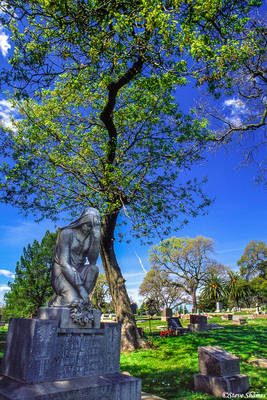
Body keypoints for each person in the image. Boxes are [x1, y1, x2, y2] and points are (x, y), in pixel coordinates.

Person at [49, 207, 101, 307]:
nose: (89, 228)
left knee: (93, 269)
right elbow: (64, 263)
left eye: (92, 227)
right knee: (72, 301)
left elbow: (93, 261)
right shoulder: (67, 233)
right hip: (62, 272)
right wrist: (81, 288)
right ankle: (57, 300)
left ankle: (80, 300)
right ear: (82, 221)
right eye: (88, 225)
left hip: (78, 271)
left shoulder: (90, 237)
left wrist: (97, 237)